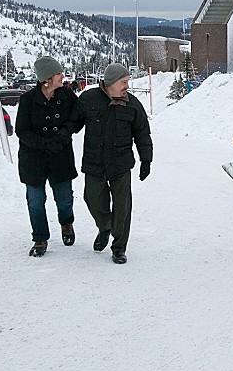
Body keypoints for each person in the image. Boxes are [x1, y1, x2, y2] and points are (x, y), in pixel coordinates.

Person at [72, 63, 153, 264]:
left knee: (122, 207)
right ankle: (105, 227)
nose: (127, 86)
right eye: (124, 82)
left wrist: (146, 160)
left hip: (121, 164)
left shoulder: (132, 104)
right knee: (92, 199)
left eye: (128, 81)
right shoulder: (88, 99)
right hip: (94, 163)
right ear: (111, 83)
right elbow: (72, 123)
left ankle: (119, 247)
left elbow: (143, 134)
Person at [16, 56, 79, 257]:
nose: (62, 76)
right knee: (35, 201)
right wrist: (44, 144)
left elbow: (78, 118)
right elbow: (22, 130)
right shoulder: (28, 100)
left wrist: (62, 135)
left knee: (64, 198)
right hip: (33, 158)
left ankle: (66, 223)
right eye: (58, 73)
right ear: (47, 78)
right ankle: (40, 238)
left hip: (60, 155)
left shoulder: (67, 96)